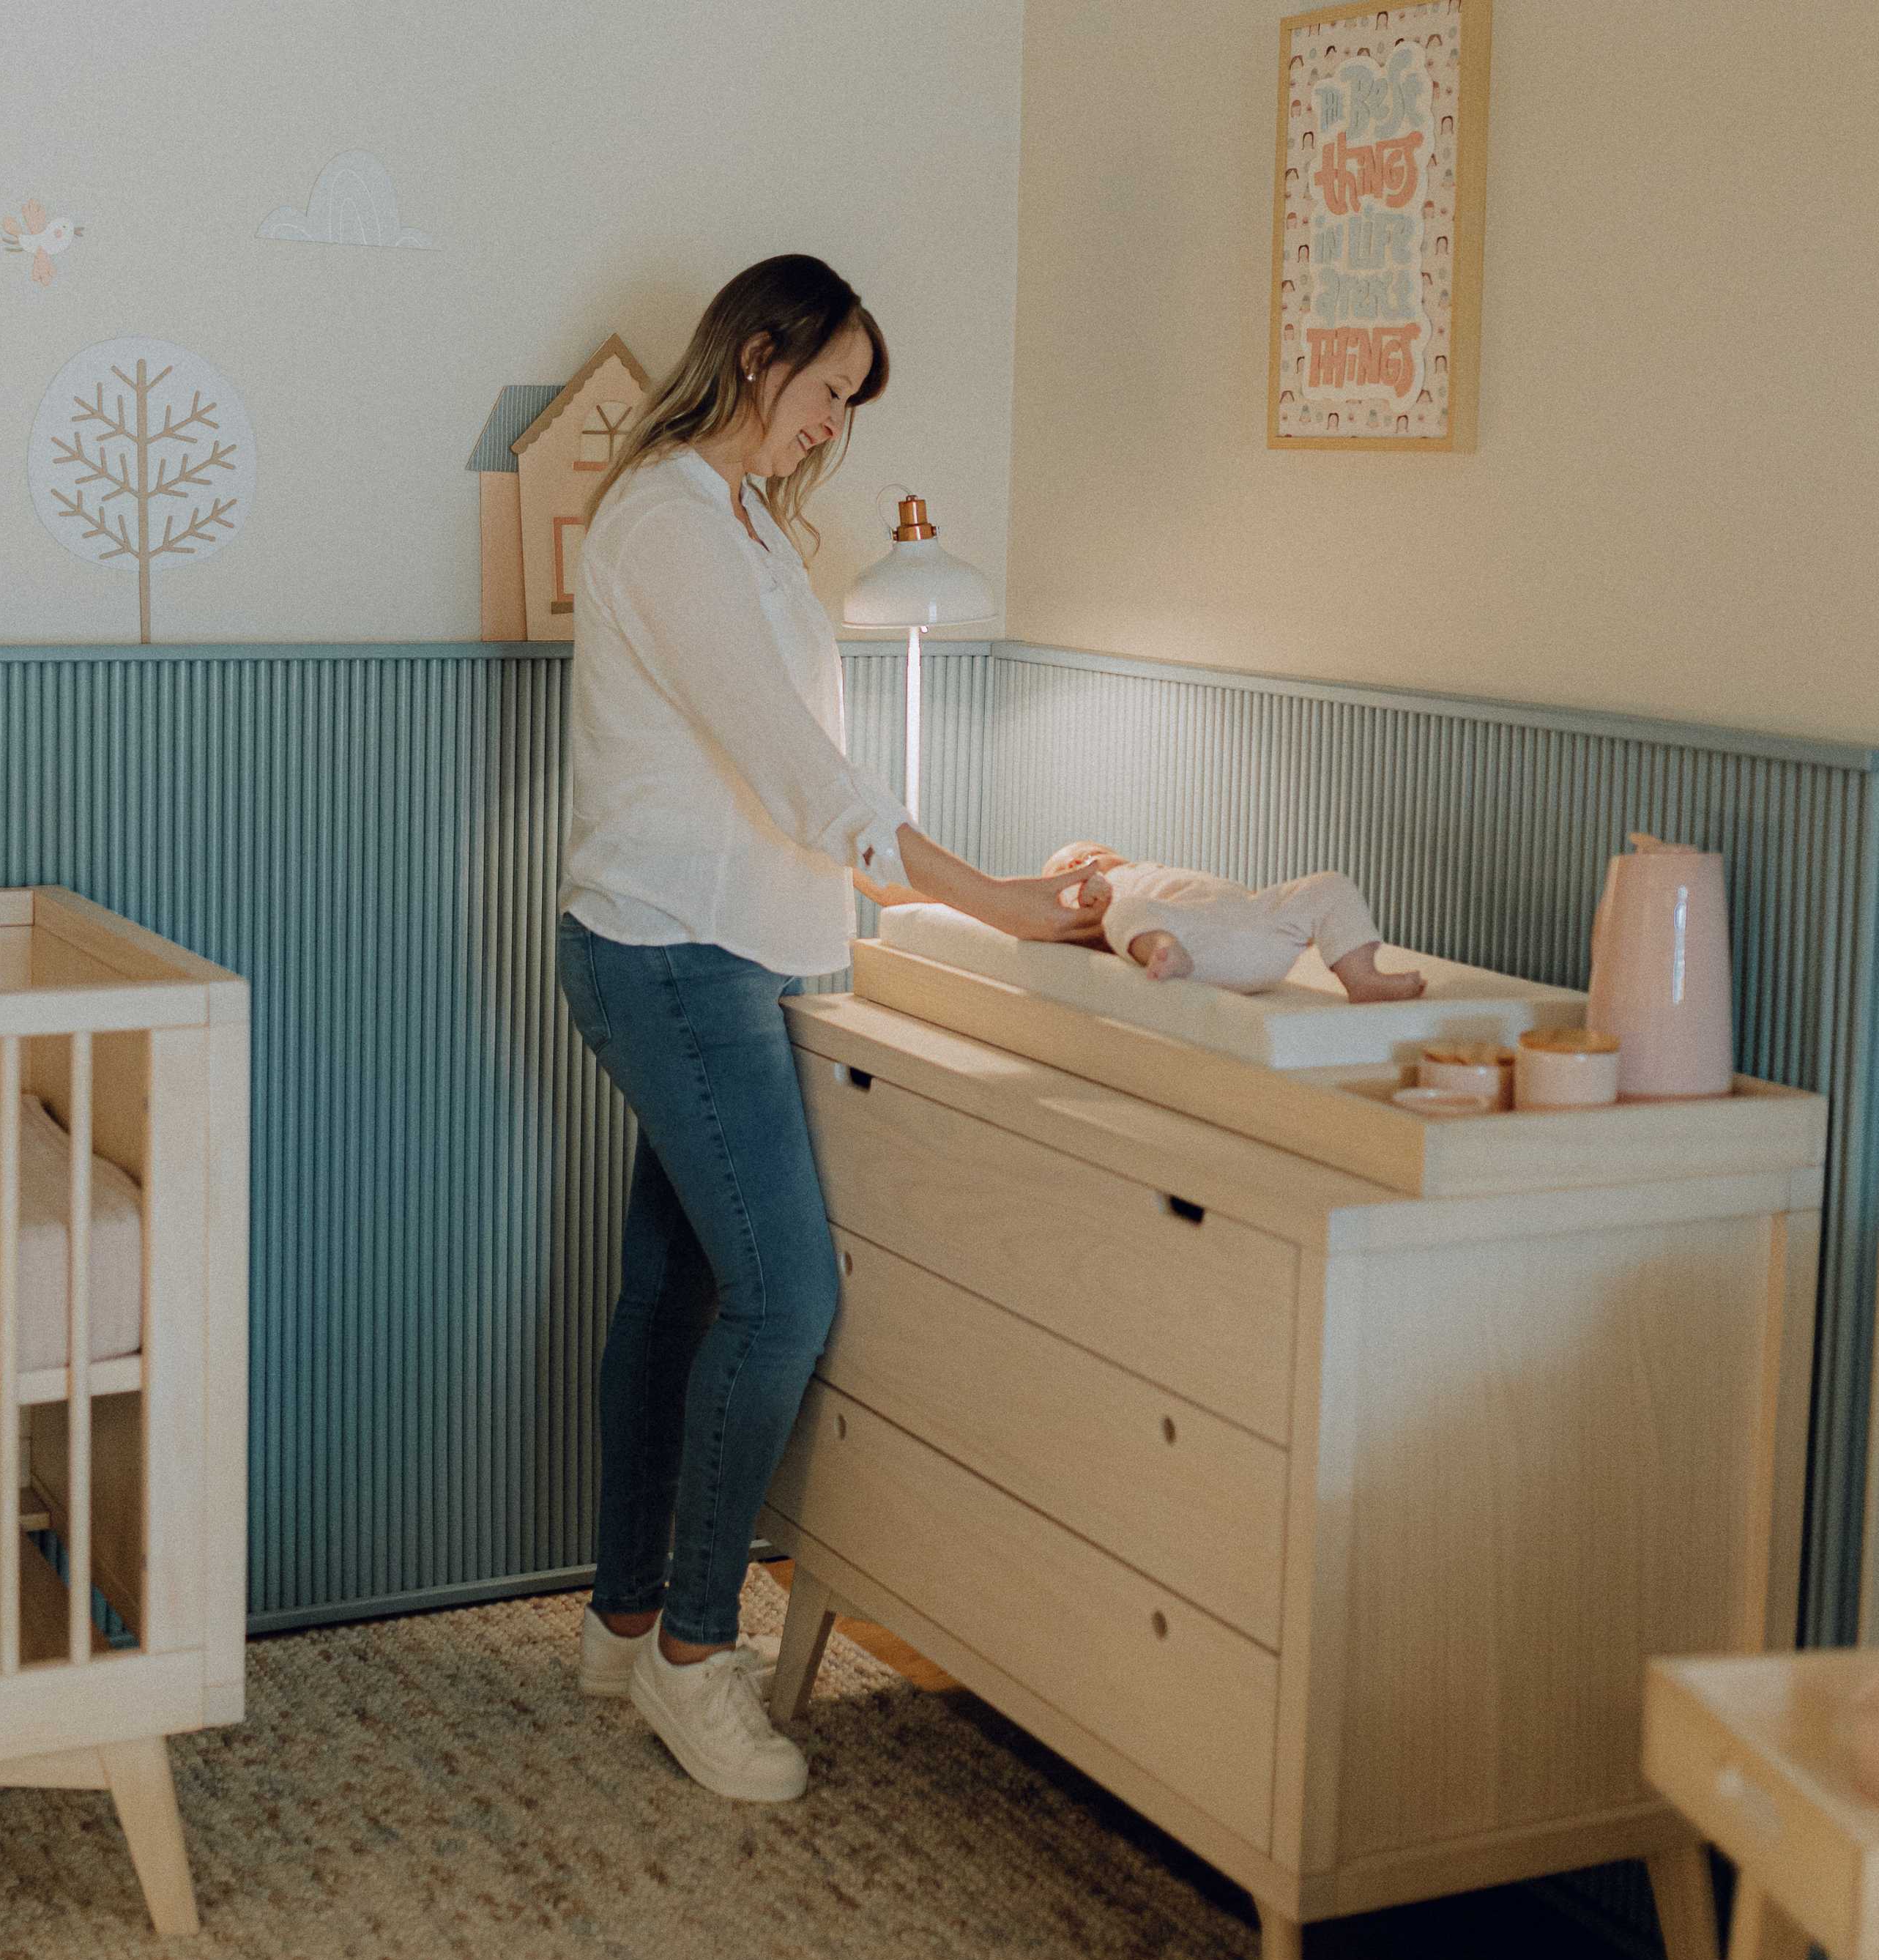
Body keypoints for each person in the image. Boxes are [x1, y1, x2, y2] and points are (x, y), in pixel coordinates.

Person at [553, 256, 1108, 1803]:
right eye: (822, 396)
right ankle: (694, 1657)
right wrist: (998, 903)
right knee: (785, 1300)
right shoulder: (670, 523)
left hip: (725, 946)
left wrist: (939, 904)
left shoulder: (735, 522)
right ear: (754, 354)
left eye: (845, 411)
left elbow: (795, 780)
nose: (826, 432)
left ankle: (620, 1620)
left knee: (674, 1292)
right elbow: (803, 777)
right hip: (673, 953)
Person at [1040, 839, 1423, 1001]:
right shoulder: (1107, 889)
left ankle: (1361, 978)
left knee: (1328, 886)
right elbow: (1093, 923)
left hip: (1256, 927)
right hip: (1193, 942)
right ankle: (1164, 950)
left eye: (1094, 852)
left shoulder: (1150, 870)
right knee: (1127, 911)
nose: (1081, 862)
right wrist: (1088, 894)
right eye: (1069, 866)